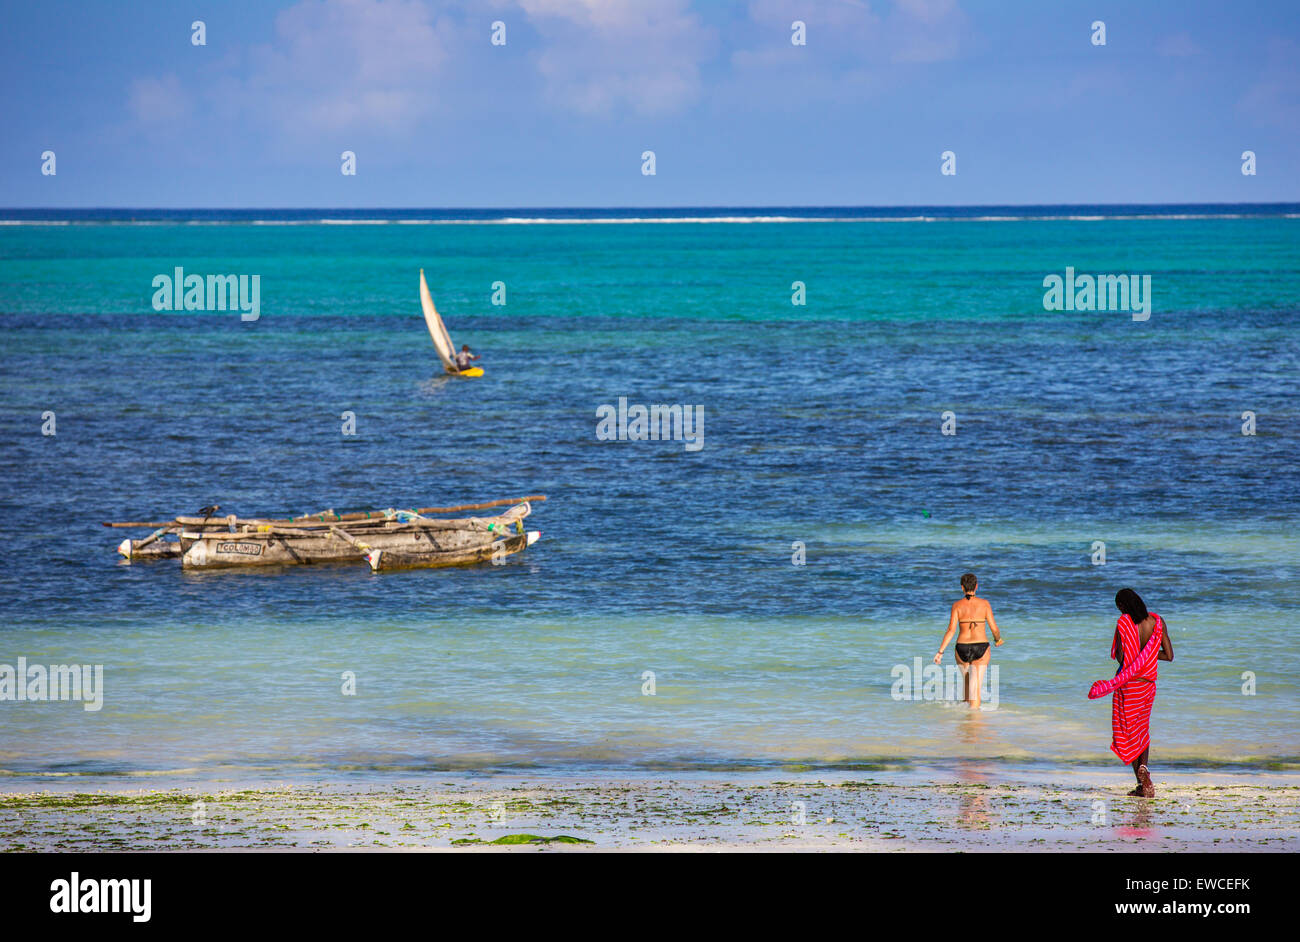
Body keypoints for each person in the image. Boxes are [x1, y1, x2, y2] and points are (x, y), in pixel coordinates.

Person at [1087, 588, 1174, 797]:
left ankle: (1142, 784)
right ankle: (1144, 771)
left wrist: (1135, 661)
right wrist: (1148, 656)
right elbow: (1169, 655)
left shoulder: (1124, 623)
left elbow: (1120, 657)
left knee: (1127, 733)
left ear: (1123, 606)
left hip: (1128, 685)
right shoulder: (1157, 622)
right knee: (1142, 730)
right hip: (1147, 685)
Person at [934, 573, 1004, 708]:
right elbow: (994, 628)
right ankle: (973, 723)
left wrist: (940, 652)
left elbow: (951, 630)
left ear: (962, 588)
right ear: (976, 586)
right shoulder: (984, 604)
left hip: (962, 648)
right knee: (975, 688)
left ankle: (965, 721)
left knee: (967, 685)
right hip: (981, 648)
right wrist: (998, 639)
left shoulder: (957, 606)